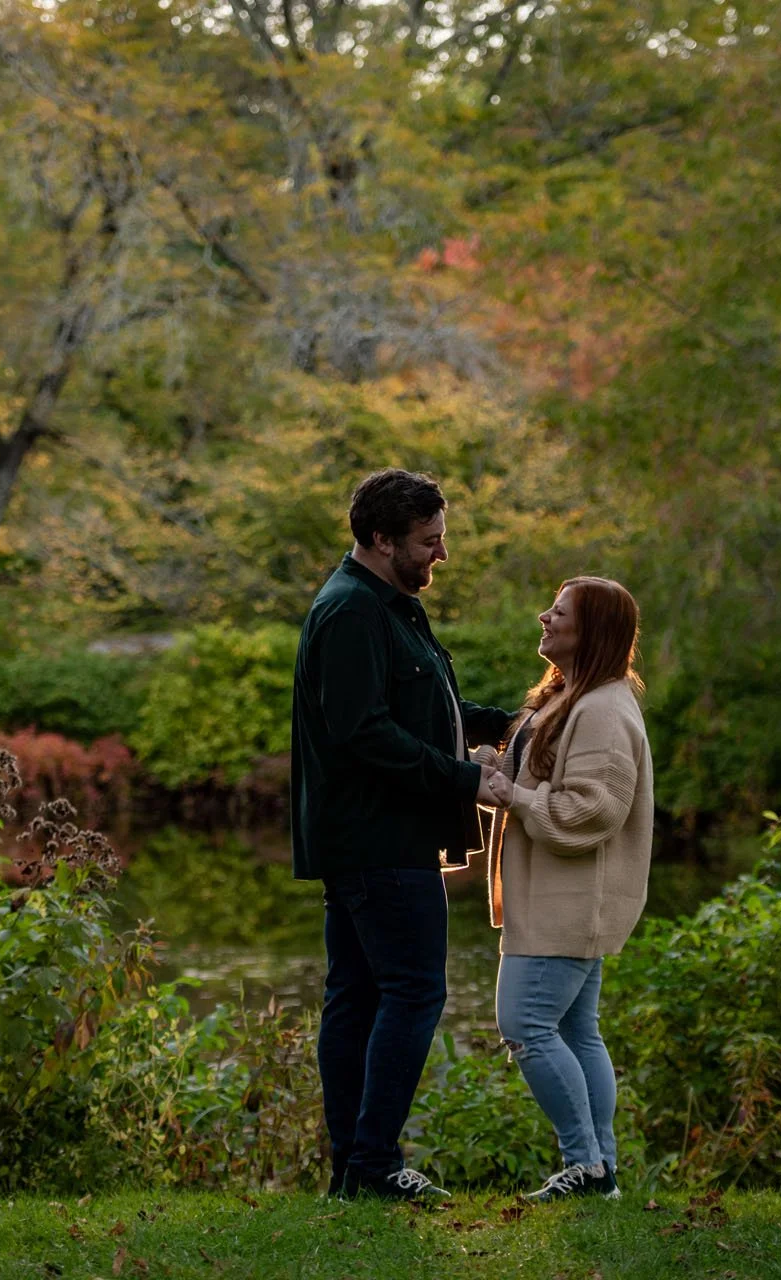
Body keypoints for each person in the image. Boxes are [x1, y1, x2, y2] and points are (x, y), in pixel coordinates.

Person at [291, 468, 513, 1202]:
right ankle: (375, 1164)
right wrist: (464, 779)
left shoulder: (385, 604)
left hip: (373, 842)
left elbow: (422, 705)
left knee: (356, 997)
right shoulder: (352, 611)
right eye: (429, 542)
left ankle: (355, 1170)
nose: (440, 556)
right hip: (379, 843)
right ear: (381, 540)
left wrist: (510, 724)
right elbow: (363, 734)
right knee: (413, 993)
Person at [481, 576, 655, 1201]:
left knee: (525, 1024)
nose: (544, 617)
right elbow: (523, 782)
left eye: (558, 612)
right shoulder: (567, 697)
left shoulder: (604, 709)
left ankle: (587, 1168)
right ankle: (599, 1171)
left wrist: (517, 796)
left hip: (572, 899)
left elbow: (591, 809)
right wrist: (482, 774)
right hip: (556, 896)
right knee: (579, 1031)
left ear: (594, 632)